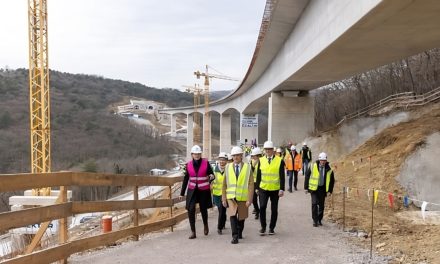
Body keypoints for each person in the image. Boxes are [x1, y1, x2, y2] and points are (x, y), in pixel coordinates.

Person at [180, 145, 215, 239]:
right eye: (195, 154)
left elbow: (212, 174)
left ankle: (205, 225)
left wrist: (211, 177)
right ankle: (193, 232)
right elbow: (186, 179)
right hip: (192, 191)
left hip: (203, 190)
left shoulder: (206, 163)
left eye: (198, 154)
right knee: (190, 209)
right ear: (192, 154)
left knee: (203, 209)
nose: (197, 155)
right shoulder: (188, 165)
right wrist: (182, 193)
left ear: (200, 154)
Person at [222, 146, 254, 244]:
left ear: (241, 156)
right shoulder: (227, 167)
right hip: (231, 197)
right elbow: (224, 184)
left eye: (238, 155)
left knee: (242, 217)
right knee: (232, 216)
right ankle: (234, 236)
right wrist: (224, 199)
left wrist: (250, 199)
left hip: (243, 197)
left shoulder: (248, 167)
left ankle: (240, 231)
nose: (236, 157)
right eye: (234, 155)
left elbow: (251, 184)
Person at [256, 141, 285, 235]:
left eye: (269, 149)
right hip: (263, 188)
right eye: (266, 149)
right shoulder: (261, 160)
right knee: (263, 207)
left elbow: (282, 175)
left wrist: (282, 189)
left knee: (274, 209)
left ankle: (272, 228)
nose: (268, 151)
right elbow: (259, 175)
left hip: (275, 189)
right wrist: (257, 188)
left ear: (273, 150)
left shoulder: (279, 160)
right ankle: (263, 227)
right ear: (264, 150)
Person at [304, 152, 335, 227]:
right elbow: (307, 176)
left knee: (321, 206)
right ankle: (315, 220)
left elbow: (332, 181)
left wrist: (330, 191)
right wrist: (306, 187)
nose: (323, 162)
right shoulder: (312, 166)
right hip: (314, 189)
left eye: (324, 160)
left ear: (326, 160)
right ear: (319, 160)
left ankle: (319, 219)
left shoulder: (329, 169)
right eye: (321, 160)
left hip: (322, 189)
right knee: (314, 204)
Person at [212, 152, 228, 235]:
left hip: (225, 194)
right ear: (218, 160)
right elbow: (209, 178)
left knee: (222, 210)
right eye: (221, 160)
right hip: (216, 194)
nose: (222, 162)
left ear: (227, 161)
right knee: (221, 211)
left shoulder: (229, 169)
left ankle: (219, 227)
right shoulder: (214, 169)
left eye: (224, 160)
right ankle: (223, 223)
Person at [250, 147, 262, 219]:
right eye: (252, 156)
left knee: (261, 199)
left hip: (261, 182)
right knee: (253, 199)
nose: (253, 157)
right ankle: (257, 210)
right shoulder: (251, 161)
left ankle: (261, 211)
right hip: (254, 182)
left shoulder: (263, 161)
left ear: (258, 156)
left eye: (254, 156)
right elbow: (250, 171)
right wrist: (253, 166)